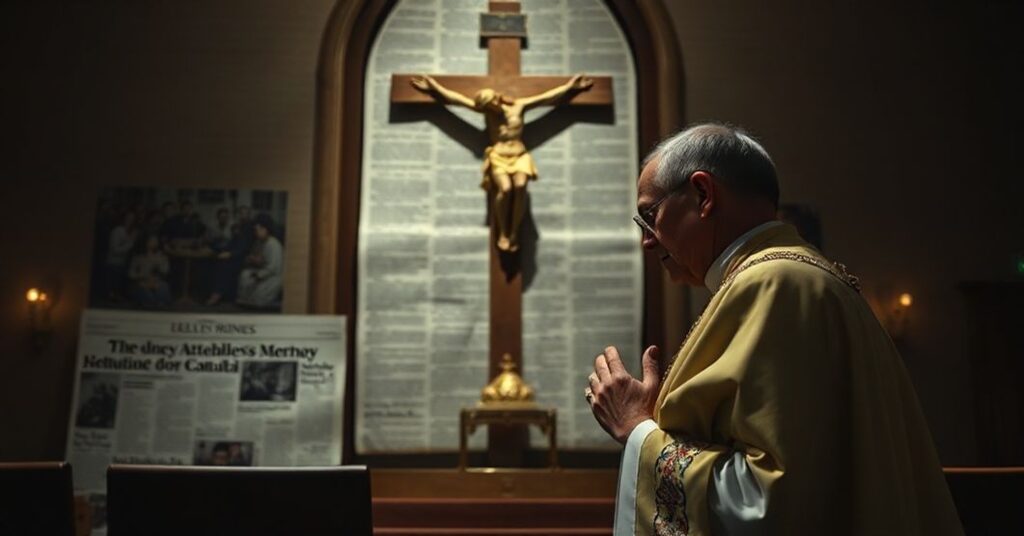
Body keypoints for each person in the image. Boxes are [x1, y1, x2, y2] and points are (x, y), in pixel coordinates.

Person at [586, 123, 962, 535]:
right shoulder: (801, 276)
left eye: (650, 216)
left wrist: (638, 429)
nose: (647, 241)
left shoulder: (772, 285)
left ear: (703, 195)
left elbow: (767, 502)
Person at [410, 73, 593, 252]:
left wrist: (569, 87)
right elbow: (457, 99)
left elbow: (545, 98)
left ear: (497, 98)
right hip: (498, 156)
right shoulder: (486, 112)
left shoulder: (519, 106)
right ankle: (503, 232)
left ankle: (513, 232)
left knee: (520, 186)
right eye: (489, 106)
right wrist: (434, 88)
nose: (494, 107)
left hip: (519, 156)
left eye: (494, 102)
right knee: (505, 189)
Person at [236, 213, 283, 308]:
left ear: (266, 229)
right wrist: (252, 260)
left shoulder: (273, 244)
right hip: (261, 272)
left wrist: (258, 275)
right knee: (245, 275)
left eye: (258, 229)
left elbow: (273, 268)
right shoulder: (259, 242)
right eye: (255, 230)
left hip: (273, 277)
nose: (256, 232)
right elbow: (255, 258)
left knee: (258, 297)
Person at [128, 234, 172, 308]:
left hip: (156, 282)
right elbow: (131, 273)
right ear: (146, 242)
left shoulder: (161, 257)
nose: (154, 242)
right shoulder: (138, 257)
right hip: (142, 282)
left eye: (155, 241)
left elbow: (165, 271)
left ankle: (160, 306)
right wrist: (142, 276)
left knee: (163, 287)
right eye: (152, 240)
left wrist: (160, 263)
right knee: (145, 292)